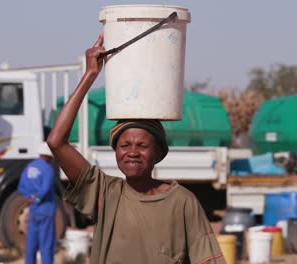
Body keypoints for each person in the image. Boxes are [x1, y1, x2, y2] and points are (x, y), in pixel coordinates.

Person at [47, 34, 225, 264]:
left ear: (158, 153)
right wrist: (90, 74)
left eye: (142, 146)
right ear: (115, 152)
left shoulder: (182, 202)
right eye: (124, 145)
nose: (132, 152)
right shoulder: (105, 193)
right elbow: (56, 142)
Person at [18, 142, 56, 264]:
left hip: (33, 210)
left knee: (31, 244)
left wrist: (30, 198)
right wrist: (37, 199)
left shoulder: (30, 166)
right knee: (46, 244)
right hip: (46, 211)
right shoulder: (48, 169)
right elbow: (45, 189)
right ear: (49, 156)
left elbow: (21, 187)